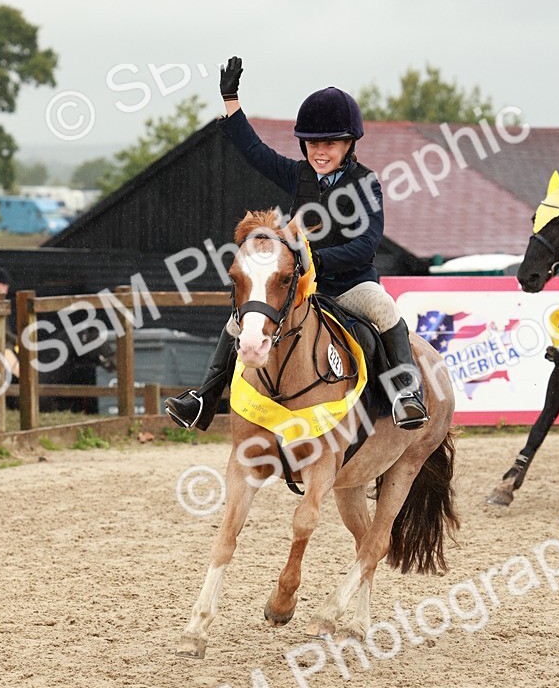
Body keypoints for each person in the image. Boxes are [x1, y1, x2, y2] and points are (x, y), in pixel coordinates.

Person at [165, 56, 428, 431]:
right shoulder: (299, 174)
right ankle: (204, 399)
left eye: (331, 143)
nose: (320, 151)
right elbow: (255, 153)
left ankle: (406, 395)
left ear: (350, 143)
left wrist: (310, 257)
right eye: (312, 143)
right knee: (240, 320)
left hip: (352, 286)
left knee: (386, 309)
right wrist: (231, 101)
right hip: (302, 288)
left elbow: (366, 246)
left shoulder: (366, 184)